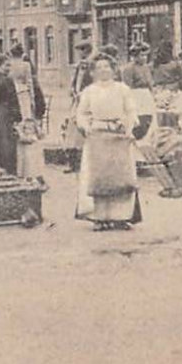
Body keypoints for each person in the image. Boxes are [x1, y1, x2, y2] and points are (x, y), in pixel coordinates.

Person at [75, 52, 141, 231]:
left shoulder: (122, 89)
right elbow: (81, 113)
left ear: (113, 69)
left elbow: (131, 111)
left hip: (119, 135)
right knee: (99, 177)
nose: (103, 70)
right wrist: (86, 127)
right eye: (99, 67)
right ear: (93, 72)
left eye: (107, 66)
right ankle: (100, 218)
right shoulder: (89, 91)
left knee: (121, 177)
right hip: (97, 135)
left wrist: (128, 126)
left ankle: (121, 216)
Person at [9, 45, 45, 179]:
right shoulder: (25, 65)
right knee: (27, 123)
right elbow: (29, 83)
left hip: (13, 95)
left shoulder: (10, 65)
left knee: (18, 125)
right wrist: (32, 101)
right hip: (23, 94)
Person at [64, 40, 93, 173]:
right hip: (76, 102)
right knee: (72, 132)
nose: (80, 54)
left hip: (87, 103)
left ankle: (84, 163)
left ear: (87, 51)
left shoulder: (92, 67)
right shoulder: (78, 67)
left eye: (82, 51)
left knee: (83, 132)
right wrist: (72, 90)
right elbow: (75, 82)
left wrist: (84, 95)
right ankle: (73, 163)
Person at [121, 43, 156, 142]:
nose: (144, 58)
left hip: (146, 95)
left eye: (145, 55)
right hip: (135, 95)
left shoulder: (146, 67)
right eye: (141, 55)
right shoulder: (128, 68)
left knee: (148, 118)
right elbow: (127, 87)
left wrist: (152, 94)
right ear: (134, 56)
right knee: (137, 120)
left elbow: (150, 83)